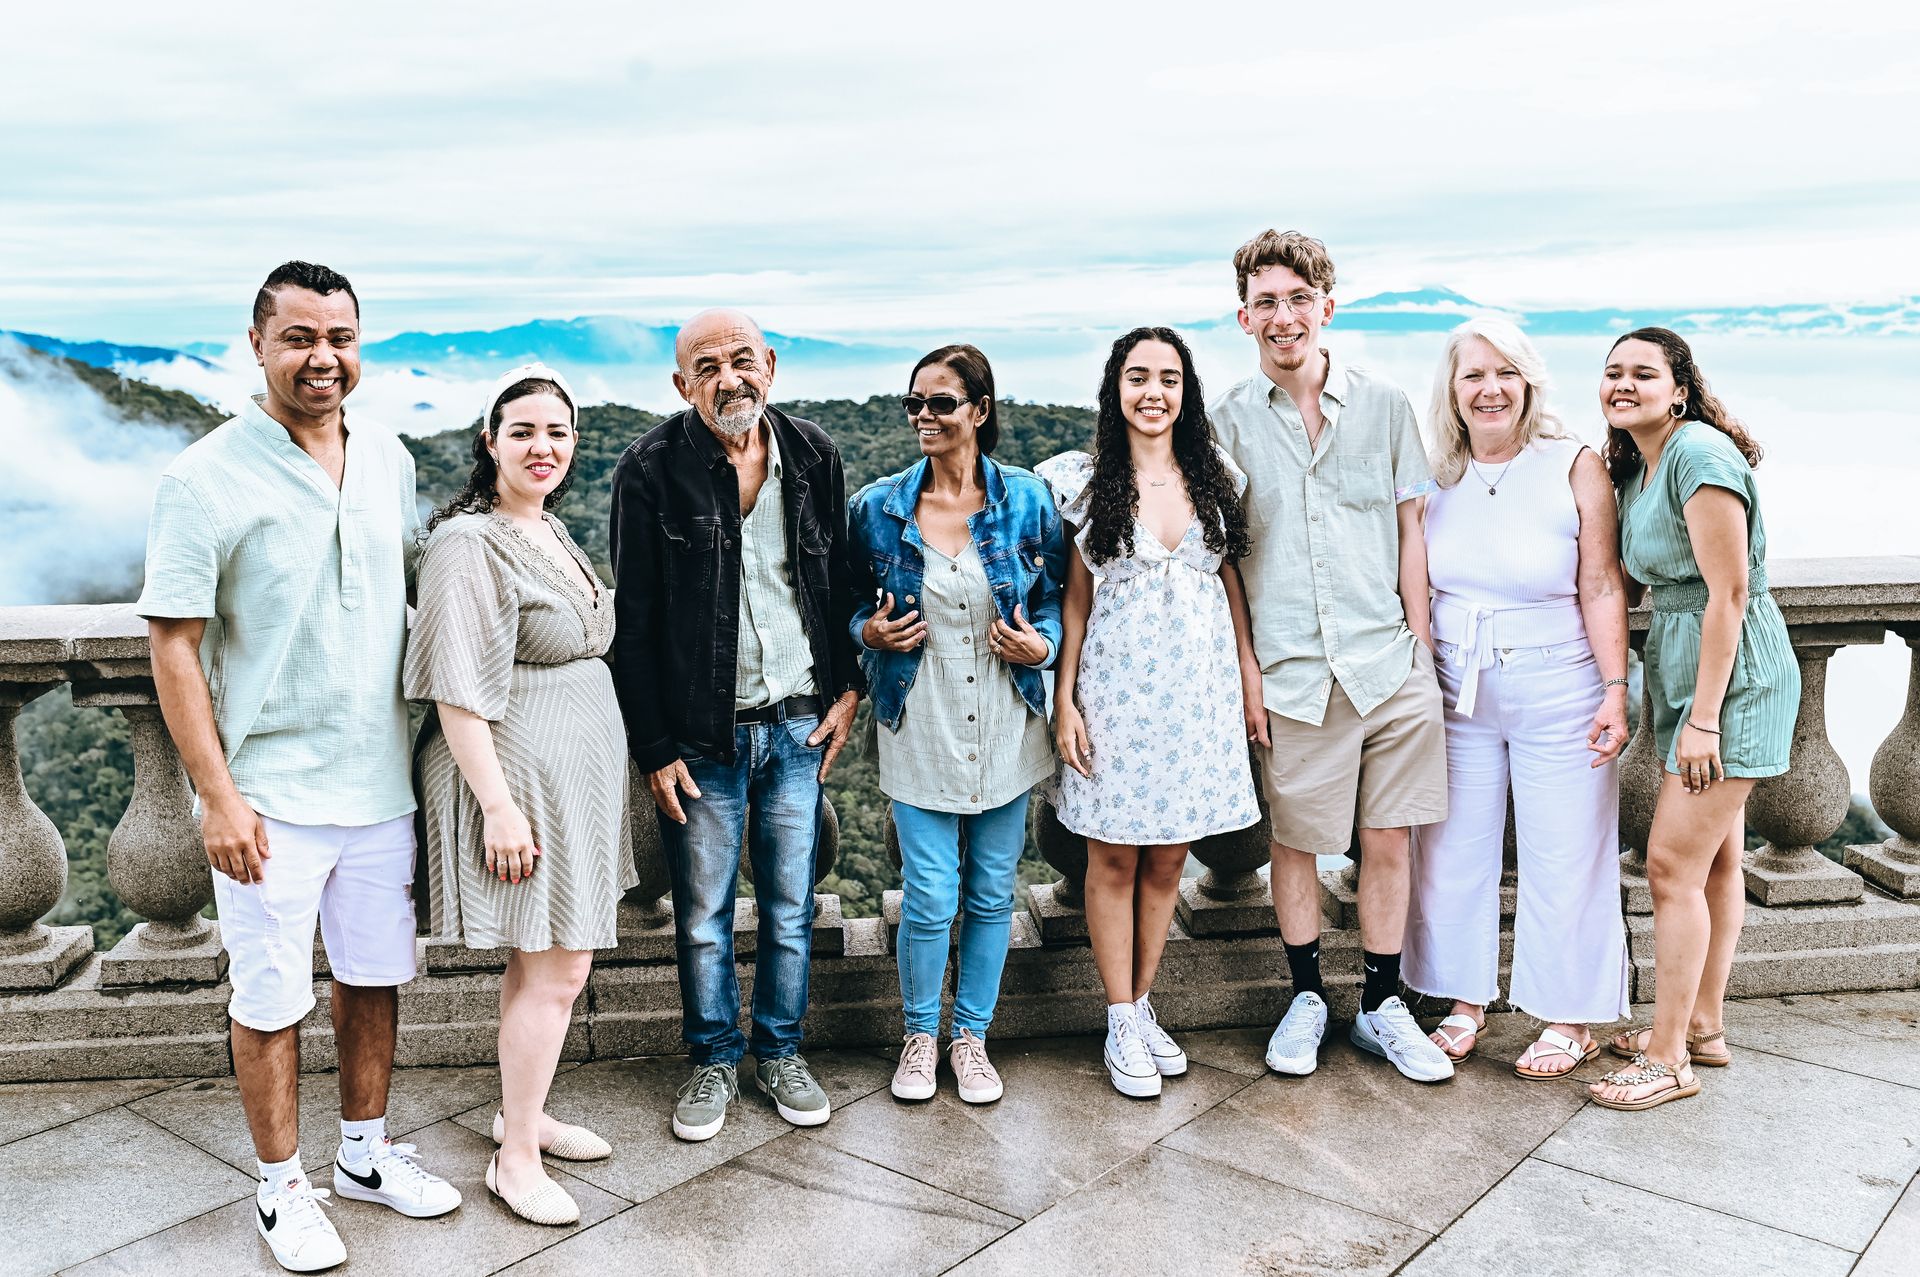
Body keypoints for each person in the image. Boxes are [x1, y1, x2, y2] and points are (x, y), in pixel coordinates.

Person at [139, 262, 460, 1272]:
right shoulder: (203, 476)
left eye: (343, 337)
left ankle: (364, 1152)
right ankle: (282, 1184)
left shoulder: (389, 458)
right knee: (270, 995)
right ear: (258, 343)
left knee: (373, 978)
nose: (324, 356)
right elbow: (174, 644)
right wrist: (217, 795)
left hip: (380, 780)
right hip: (269, 793)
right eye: (301, 337)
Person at [609, 308, 864, 1142]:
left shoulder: (814, 453)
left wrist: (849, 688)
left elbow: (837, 584)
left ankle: (781, 1051)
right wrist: (653, 748)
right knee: (702, 915)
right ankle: (714, 1057)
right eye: (708, 366)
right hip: (700, 739)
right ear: (682, 383)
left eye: (743, 360)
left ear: (773, 365)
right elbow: (634, 623)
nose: (730, 379)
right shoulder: (649, 469)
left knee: (792, 906)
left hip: (796, 724)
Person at [1208, 230, 1455, 1083]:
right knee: (1298, 840)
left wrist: (1420, 650)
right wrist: (1247, 669)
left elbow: (1409, 529)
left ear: (1327, 307)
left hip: (1387, 663)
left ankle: (1382, 1005)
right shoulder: (1226, 422)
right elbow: (1228, 564)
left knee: (1389, 838)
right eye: (1267, 301)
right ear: (1244, 316)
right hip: (1292, 673)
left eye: (1298, 298)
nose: (1284, 317)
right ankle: (1308, 996)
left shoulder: (1385, 406)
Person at [406, 364, 633, 1224]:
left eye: (559, 433)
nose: (544, 448)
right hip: (518, 774)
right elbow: (455, 687)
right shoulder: (470, 541)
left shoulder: (546, 528)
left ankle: (523, 1112)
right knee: (561, 966)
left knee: (540, 958)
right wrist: (498, 806)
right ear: (489, 441)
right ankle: (516, 1161)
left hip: (571, 771)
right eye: (524, 431)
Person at [1401, 317, 1631, 1078]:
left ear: (1528, 381)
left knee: (1568, 850)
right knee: (1451, 849)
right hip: (1457, 692)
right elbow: (1418, 590)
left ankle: (1569, 1014)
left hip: (1560, 685)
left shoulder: (1573, 463)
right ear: (1453, 389)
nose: (1490, 388)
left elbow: (1600, 582)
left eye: (1505, 373)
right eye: (1474, 375)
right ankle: (1463, 1000)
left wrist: (1614, 689)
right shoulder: (1432, 474)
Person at [1041, 326, 1262, 1098]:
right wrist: (1065, 700)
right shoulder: (1083, 480)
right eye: (1138, 377)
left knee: (1170, 855)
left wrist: (1248, 675)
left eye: (1168, 378)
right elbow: (1074, 603)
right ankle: (1118, 1016)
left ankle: (1141, 1001)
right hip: (1117, 688)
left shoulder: (1215, 475)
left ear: (1185, 390)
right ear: (1116, 388)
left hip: (1197, 692)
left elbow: (1228, 582)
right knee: (1113, 856)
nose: (1153, 392)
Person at [847, 344, 1067, 1105]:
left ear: (979, 410)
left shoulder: (1028, 500)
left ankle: (970, 1036)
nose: (923, 417)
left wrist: (1044, 646)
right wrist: (868, 635)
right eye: (914, 403)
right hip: (919, 720)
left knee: (990, 893)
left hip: (1007, 726)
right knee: (931, 893)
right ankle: (919, 1035)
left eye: (940, 402)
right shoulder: (878, 508)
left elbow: (1062, 601)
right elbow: (844, 605)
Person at [1589, 327, 1797, 1111]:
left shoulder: (1699, 455)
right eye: (1612, 373)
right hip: (1688, 675)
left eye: (1643, 372)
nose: (1623, 384)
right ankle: (1702, 1026)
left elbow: (1730, 594)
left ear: (1679, 388)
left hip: (1732, 682)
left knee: (1671, 866)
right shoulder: (1640, 466)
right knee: (1713, 864)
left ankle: (1668, 1056)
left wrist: (1703, 718)